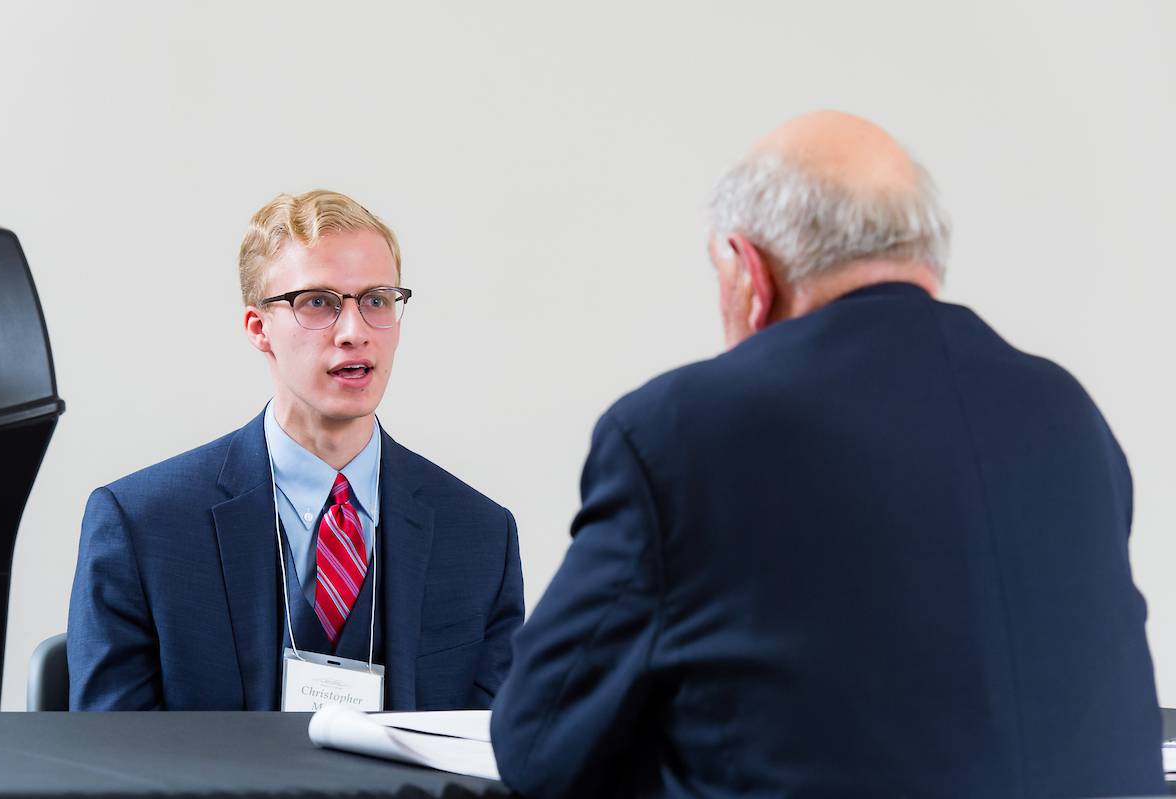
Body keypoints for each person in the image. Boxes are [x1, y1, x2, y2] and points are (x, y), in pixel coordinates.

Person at [490, 112, 1162, 797]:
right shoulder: (1070, 415)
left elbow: (538, 743)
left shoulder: (685, 427)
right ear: (925, 256)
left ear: (751, 271)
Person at [69, 190, 523, 711]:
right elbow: (112, 763)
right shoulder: (140, 525)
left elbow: (494, 760)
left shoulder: (483, 536)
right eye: (318, 303)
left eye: (376, 300)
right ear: (259, 329)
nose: (354, 332)